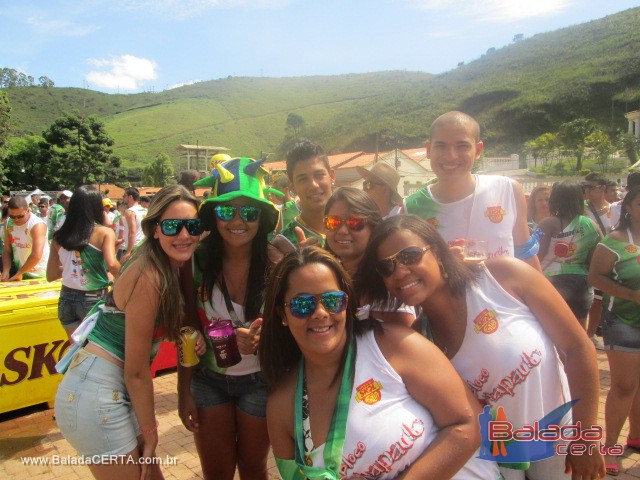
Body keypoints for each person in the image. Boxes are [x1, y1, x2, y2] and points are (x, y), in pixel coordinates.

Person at [358, 215, 604, 480]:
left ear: (438, 253)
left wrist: (585, 437)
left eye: (409, 256)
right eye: (386, 267)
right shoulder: (418, 342)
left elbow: (578, 347)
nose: (400, 272)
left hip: (558, 440)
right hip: (497, 461)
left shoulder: (503, 278)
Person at [260, 246, 501, 479]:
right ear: (283, 314)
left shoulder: (393, 344)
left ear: (346, 303)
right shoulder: (282, 408)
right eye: (303, 305)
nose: (320, 313)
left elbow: (469, 424)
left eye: (332, 300)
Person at [54, 184, 203, 480]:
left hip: (109, 388)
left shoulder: (165, 263)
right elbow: (136, 372)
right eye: (173, 226)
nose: (185, 234)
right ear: (155, 229)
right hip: (98, 393)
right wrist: (151, 434)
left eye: (192, 225)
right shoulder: (150, 274)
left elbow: (151, 327)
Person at [179, 157, 278, 480]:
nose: (238, 220)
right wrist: (184, 391)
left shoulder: (278, 263)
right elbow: (187, 330)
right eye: (226, 211)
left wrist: (265, 340)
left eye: (249, 212)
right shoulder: (195, 260)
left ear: (261, 217)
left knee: (253, 469)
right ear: (214, 215)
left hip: (260, 382)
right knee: (216, 472)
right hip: (208, 382)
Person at [404, 111, 541, 270]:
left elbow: (525, 253)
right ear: (428, 150)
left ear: (478, 150)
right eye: (441, 146)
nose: (451, 156)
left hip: (503, 295)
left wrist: (546, 294)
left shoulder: (507, 190)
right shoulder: (411, 207)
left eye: (462, 146)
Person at [588, 186, 640, 476]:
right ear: (629, 207)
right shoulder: (614, 242)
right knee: (623, 387)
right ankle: (611, 448)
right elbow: (595, 277)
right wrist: (630, 295)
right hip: (623, 322)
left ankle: (636, 435)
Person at [324, 187, 415, 326]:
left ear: (373, 227)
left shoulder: (389, 278)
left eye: (354, 222)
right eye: (333, 222)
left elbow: (406, 335)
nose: (342, 231)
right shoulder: (327, 276)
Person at [46, 186, 120, 338]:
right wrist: (127, 275)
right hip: (92, 299)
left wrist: (71, 267)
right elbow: (112, 265)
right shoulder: (104, 232)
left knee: (76, 351)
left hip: (66, 299)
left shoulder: (58, 236)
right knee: (94, 351)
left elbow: (51, 275)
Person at [537, 181, 601, 335]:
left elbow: (536, 256)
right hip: (583, 284)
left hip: (552, 281)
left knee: (552, 332)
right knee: (579, 333)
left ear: (555, 200)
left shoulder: (548, 224)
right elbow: (595, 260)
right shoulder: (592, 225)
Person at [276, 140, 335, 248]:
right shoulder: (285, 244)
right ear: (292, 184)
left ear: (332, 176)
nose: (314, 185)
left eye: (319, 175)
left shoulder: (354, 228)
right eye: (303, 179)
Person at [1, 195, 50, 281]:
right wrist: (6, 271)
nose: (16, 219)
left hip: (41, 275)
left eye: (20, 216)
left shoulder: (37, 225)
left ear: (28, 210)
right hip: (21, 273)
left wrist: (19, 273)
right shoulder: (8, 223)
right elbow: (7, 251)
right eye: (12, 216)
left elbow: (36, 255)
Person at [121, 187, 147, 263]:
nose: (123, 197)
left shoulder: (130, 212)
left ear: (130, 197)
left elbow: (132, 232)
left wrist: (128, 251)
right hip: (143, 244)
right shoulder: (144, 210)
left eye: (124, 195)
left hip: (134, 246)